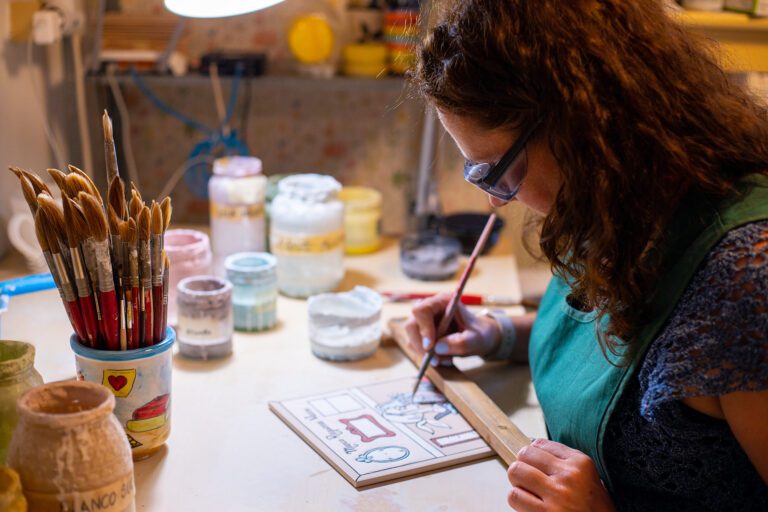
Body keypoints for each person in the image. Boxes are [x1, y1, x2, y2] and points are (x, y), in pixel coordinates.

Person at [404, 1, 768, 510]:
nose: (494, 199)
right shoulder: (614, 201)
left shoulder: (746, 279)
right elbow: (644, 352)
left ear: (580, 124)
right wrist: (499, 334)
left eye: (496, 171)